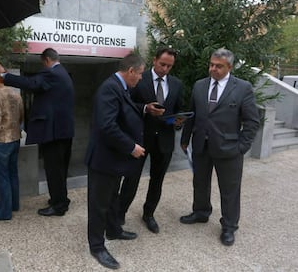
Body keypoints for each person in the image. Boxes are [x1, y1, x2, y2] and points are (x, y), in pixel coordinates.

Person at [85, 53, 163, 270]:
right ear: (131, 71)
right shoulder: (109, 88)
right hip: (103, 160)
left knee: (111, 199)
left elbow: (125, 109)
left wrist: (145, 108)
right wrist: (131, 147)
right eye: (139, 74)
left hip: (113, 159)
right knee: (99, 205)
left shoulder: (120, 87)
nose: (140, 79)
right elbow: (107, 125)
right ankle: (97, 246)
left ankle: (113, 230)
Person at [180, 48, 260, 246]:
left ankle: (229, 226)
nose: (213, 69)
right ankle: (200, 212)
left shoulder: (242, 88)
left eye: (218, 66)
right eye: (211, 65)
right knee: (200, 182)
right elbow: (193, 114)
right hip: (201, 145)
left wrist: (241, 147)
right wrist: (185, 138)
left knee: (229, 190)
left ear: (229, 67)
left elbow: (252, 121)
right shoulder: (200, 85)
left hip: (229, 149)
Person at [0, 48, 74, 217]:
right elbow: (36, 82)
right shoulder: (62, 73)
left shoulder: (53, 74)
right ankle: (61, 200)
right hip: (63, 132)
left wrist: (4, 76)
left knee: (54, 169)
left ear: (46, 60)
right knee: (60, 169)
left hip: (54, 133)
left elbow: (31, 83)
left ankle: (58, 206)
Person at [118, 47, 183, 234]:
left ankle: (149, 214)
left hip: (165, 141)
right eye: (162, 64)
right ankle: (119, 213)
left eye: (169, 66)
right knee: (131, 178)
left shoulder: (177, 84)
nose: (165, 69)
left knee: (157, 181)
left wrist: (179, 122)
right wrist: (145, 108)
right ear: (154, 60)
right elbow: (126, 105)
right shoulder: (139, 78)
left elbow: (178, 110)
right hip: (140, 138)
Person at [0, 73, 24, 221]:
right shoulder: (16, 95)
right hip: (15, 139)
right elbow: (21, 117)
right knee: (13, 173)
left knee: (3, 177)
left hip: (1, 141)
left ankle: (4, 212)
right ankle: (14, 204)